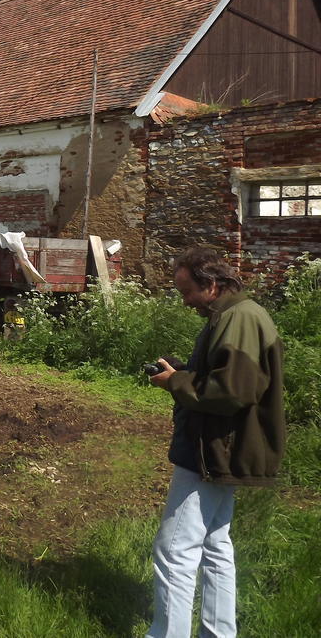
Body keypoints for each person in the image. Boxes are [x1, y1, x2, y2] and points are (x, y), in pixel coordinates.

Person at [145, 247, 285, 638]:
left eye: (187, 291)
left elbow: (232, 391)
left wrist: (175, 382)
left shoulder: (238, 318)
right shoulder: (240, 314)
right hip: (226, 447)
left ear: (210, 284)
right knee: (214, 545)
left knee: (174, 549)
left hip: (213, 449)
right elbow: (229, 379)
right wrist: (185, 372)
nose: (185, 301)